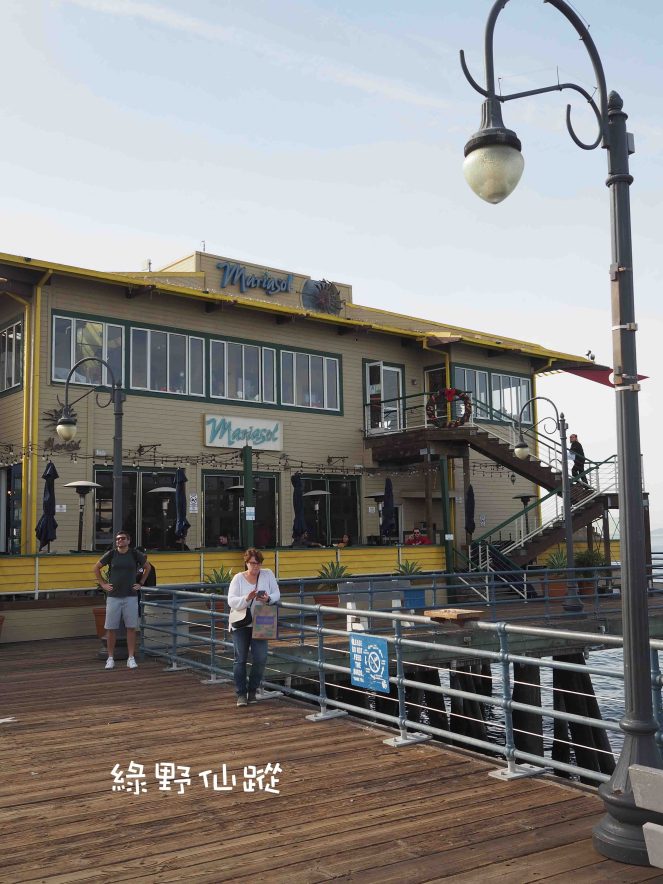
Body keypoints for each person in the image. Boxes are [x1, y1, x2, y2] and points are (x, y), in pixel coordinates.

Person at [227, 548, 280, 707]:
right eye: (252, 563)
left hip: (262, 618)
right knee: (240, 659)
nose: (255, 566)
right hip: (241, 623)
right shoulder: (238, 578)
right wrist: (246, 598)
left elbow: (277, 594)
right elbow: (231, 601)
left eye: (258, 563)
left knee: (261, 658)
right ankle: (241, 694)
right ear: (246, 563)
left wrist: (268, 598)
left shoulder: (268, 574)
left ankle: (252, 691)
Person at [94, 531, 152, 671]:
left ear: (128, 540)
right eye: (118, 539)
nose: (119, 541)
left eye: (122, 538)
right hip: (113, 596)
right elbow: (96, 567)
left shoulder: (134, 554)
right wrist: (103, 584)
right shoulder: (112, 554)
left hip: (130, 596)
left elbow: (147, 567)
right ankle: (110, 658)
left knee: (131, 627)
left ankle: (131, 657)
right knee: (111, 628)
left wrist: (141, 583)